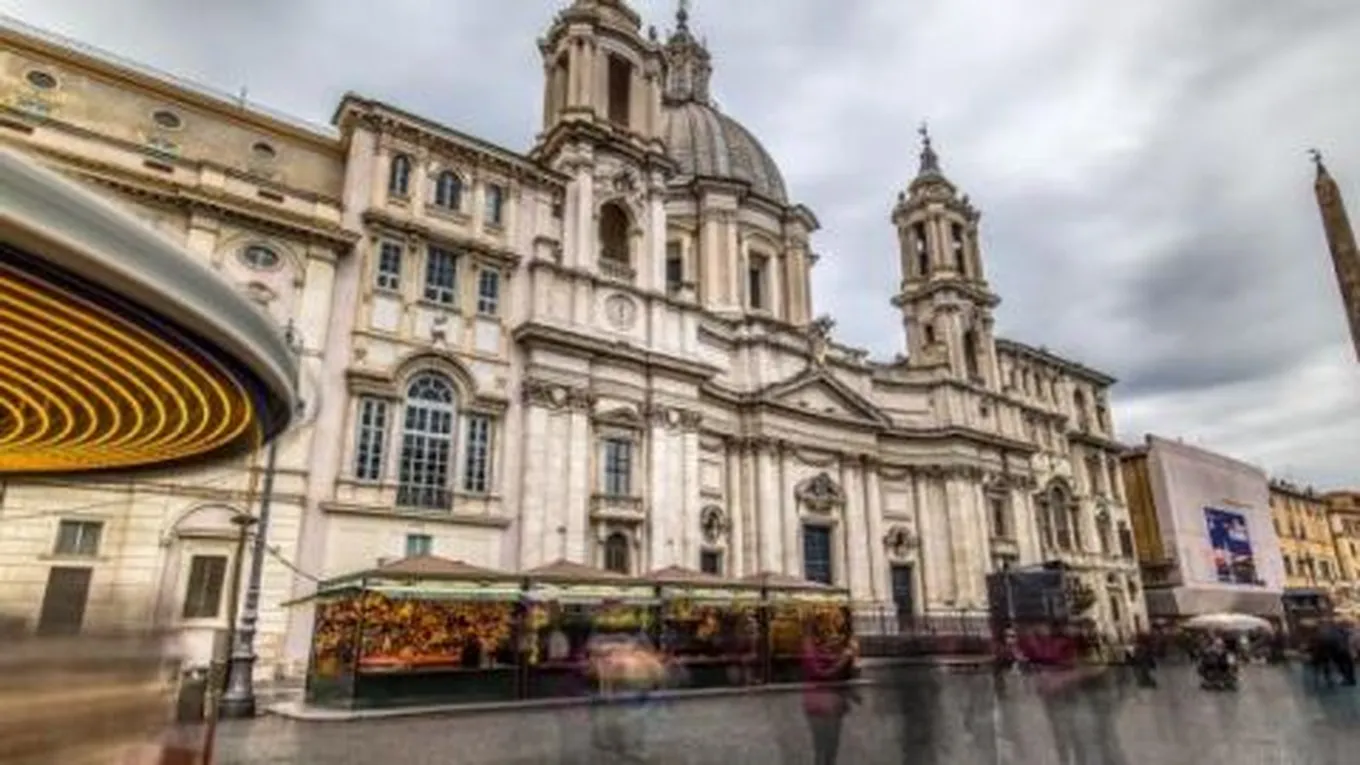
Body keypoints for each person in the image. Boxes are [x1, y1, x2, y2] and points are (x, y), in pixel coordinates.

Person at [801, 621, 855, 765]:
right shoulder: (810, 651)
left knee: (831, 744)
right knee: (823, 744)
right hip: (820, 702)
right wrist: (842, 660)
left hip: (829, 702)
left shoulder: (822, 650)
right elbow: (821, 674)